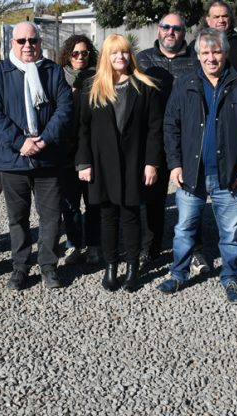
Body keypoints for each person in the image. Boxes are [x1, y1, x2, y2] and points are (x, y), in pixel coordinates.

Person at [157, 28, 237, 305]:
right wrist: (175, 164)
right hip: (191, 174)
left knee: (230, 235)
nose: (211, 58)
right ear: (198, 55)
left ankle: (231, 279)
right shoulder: (186, 83)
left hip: (228, 175)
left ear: (226, 53)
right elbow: (171, 125)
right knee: (184, 230)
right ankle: (178, 274)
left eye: (216, 51)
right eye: (205, 52)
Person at [0, 21, 73, 291]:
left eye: (32, 41)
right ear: (12, 43)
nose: (27, 46)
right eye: (21, 41)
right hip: (14, 159)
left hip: (48, 157)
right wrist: (21, 142)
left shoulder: (53, 72)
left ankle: (48, 266)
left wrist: (44, 140)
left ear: (40, 42)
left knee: (50, 216)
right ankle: (20, 267)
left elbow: (65, 109)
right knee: (17, 218)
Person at [77, 34, 163, 292]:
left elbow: (154, 129)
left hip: (134, 163)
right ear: (106, 56)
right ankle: (111, 266)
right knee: (107, 216)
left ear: (130, 55)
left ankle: (133, 268)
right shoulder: (92, 87)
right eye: (114, 53)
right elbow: (82, 129)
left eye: (124, 52)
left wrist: (152, 163)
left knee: (130, 216)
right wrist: (84, 163)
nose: (119, 57)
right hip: (103, 165)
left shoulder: (145, 86)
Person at [136, 13, 208, 274]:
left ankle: (195, 249)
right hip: (152, 141)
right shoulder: (142, 60)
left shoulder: (195, 59)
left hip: (186, 140)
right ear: (158, 30)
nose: (170, 32)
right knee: (151, 198)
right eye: (166, 27)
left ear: (184, 32)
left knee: (190, 196)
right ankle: (150, 248)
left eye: (176, 29)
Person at [57, 34, 101, 265]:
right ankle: (74, 243)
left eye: (84, 53)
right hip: (66, 151)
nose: (80, 57)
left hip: (92, 149)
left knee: (93, 201)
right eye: (75, 53)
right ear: (68, 55)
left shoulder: (99, 78)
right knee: (70, 203)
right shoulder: (59, 78)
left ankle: (94, 244)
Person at [204, 0, 237, 74]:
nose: (221, 20)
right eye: (216, 17)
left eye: (225, 16)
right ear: (208, 20)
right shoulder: (197, 46)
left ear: (230, 19)